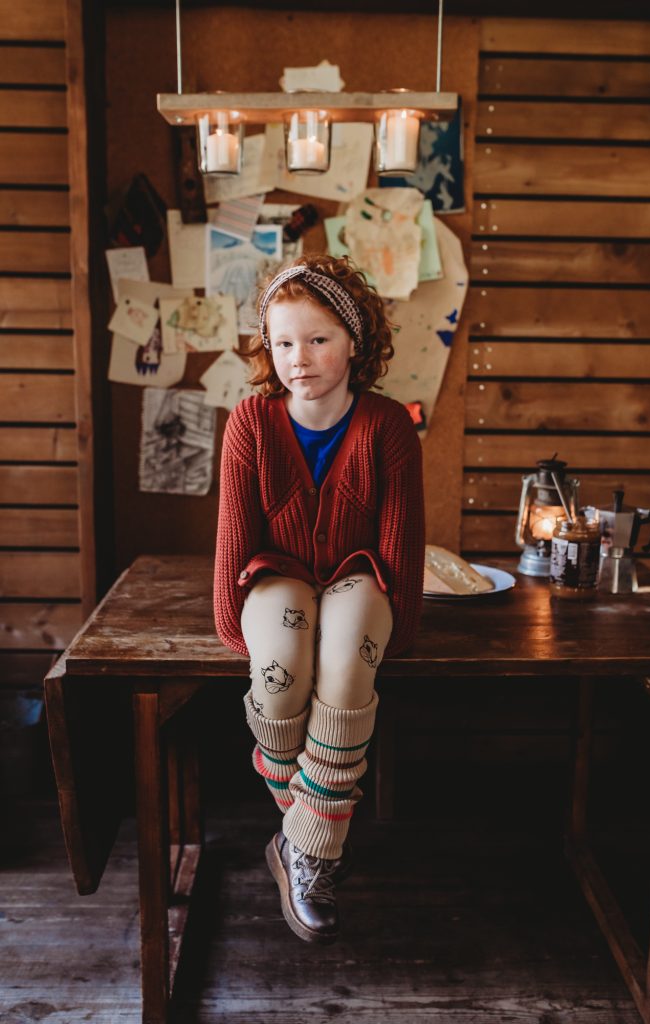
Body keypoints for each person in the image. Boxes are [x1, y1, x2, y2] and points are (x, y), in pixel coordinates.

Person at [213, 253, 425, 944]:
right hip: (275, 574)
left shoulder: (388, 424)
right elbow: (235, 535)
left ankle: (306, 853)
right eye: (282, 343)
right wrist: (233, 624)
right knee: (280, 677)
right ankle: (314, 829)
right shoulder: (250, 422)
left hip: (359, 574)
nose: (297, 358)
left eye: (317, 339)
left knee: (345, 664)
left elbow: (401, 542)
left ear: (355, 341)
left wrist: (398, 626)